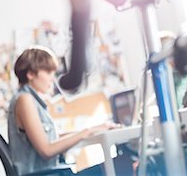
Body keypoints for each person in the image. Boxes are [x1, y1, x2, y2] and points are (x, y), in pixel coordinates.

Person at [8, 46, 130, 175]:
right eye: (48, 72)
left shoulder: (31, 100)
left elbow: (53, 139)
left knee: (121, 163)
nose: (52, 78)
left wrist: (94, 129)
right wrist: (86, 132)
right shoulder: (24, 100)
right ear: (31, 74)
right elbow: (46, 150)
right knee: (123, 165)